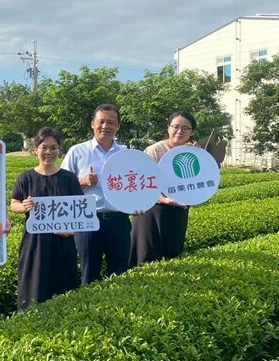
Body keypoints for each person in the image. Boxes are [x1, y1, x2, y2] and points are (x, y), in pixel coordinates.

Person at [11, 127, 83, 309]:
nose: (49, 152)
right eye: (44, 147)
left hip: (63, 243)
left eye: (54, 148)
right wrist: (24, 206)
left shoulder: (69, 178)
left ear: (59, 150)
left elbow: (79, 210)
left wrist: (72, 230)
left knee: (64, 293)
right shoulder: (25, 178)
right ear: (35, 149)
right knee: (34, 291)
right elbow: (14, 203)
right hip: (34, 244)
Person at [61, 103, 131, 284]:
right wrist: (83, 182)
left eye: (111, 122)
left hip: (119, 220)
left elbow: (135, 186)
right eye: (101, 121)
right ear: (93, 124)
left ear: (118, 126)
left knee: (121, 274)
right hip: (87, 220)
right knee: (88, 274)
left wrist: (137, 204)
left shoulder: (126, 154)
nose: (105, 126)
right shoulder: (77, 151)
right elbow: (61, 187)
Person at [129, 110, 197, 267]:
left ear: (192, 132)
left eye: (185, 128)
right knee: (147, 256)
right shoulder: (155, 150)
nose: (179, 131)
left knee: (172, 255)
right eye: (175, 126)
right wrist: (164, 199)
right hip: (152, 210)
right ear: (168, 128)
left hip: (178, 210)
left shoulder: (191, 152)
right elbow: (142, 183)